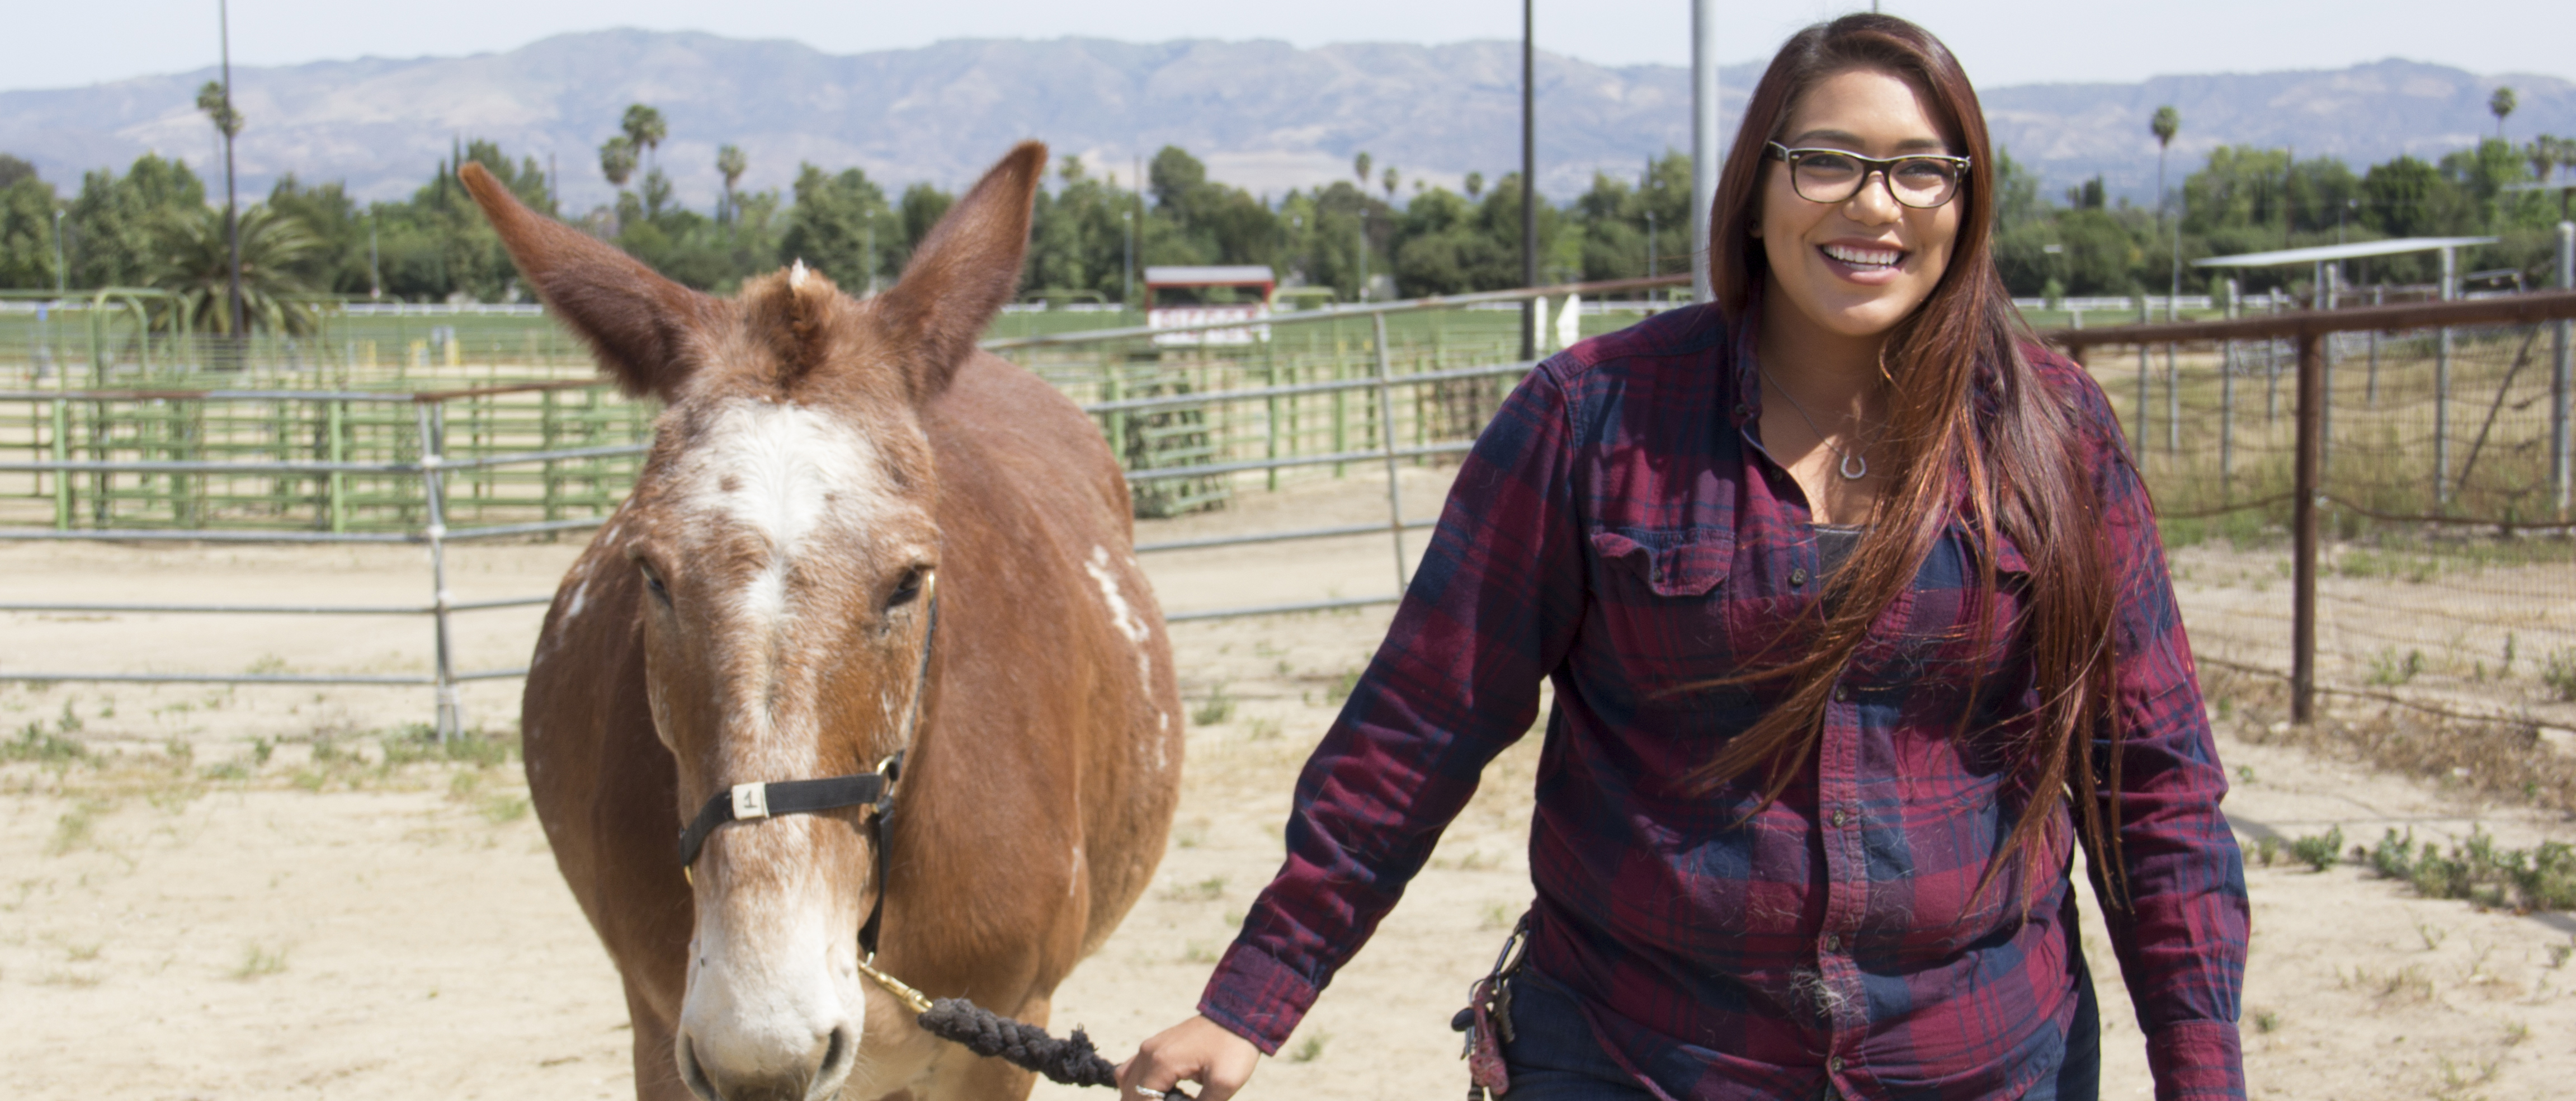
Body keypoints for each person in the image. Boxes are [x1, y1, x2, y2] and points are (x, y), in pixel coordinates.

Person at [1118, 13, 2247, 1100]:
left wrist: (2201, 1073)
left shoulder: (2051, 437)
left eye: (1919, 168)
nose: (1873, 202)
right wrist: (1253, 997)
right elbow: (1421, 722)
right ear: (1754, 192)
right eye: (1825, 161)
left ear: (1964, 202)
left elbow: (2151, 783)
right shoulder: (1591, 421)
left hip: (1979, 1058)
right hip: (1639, 1055)